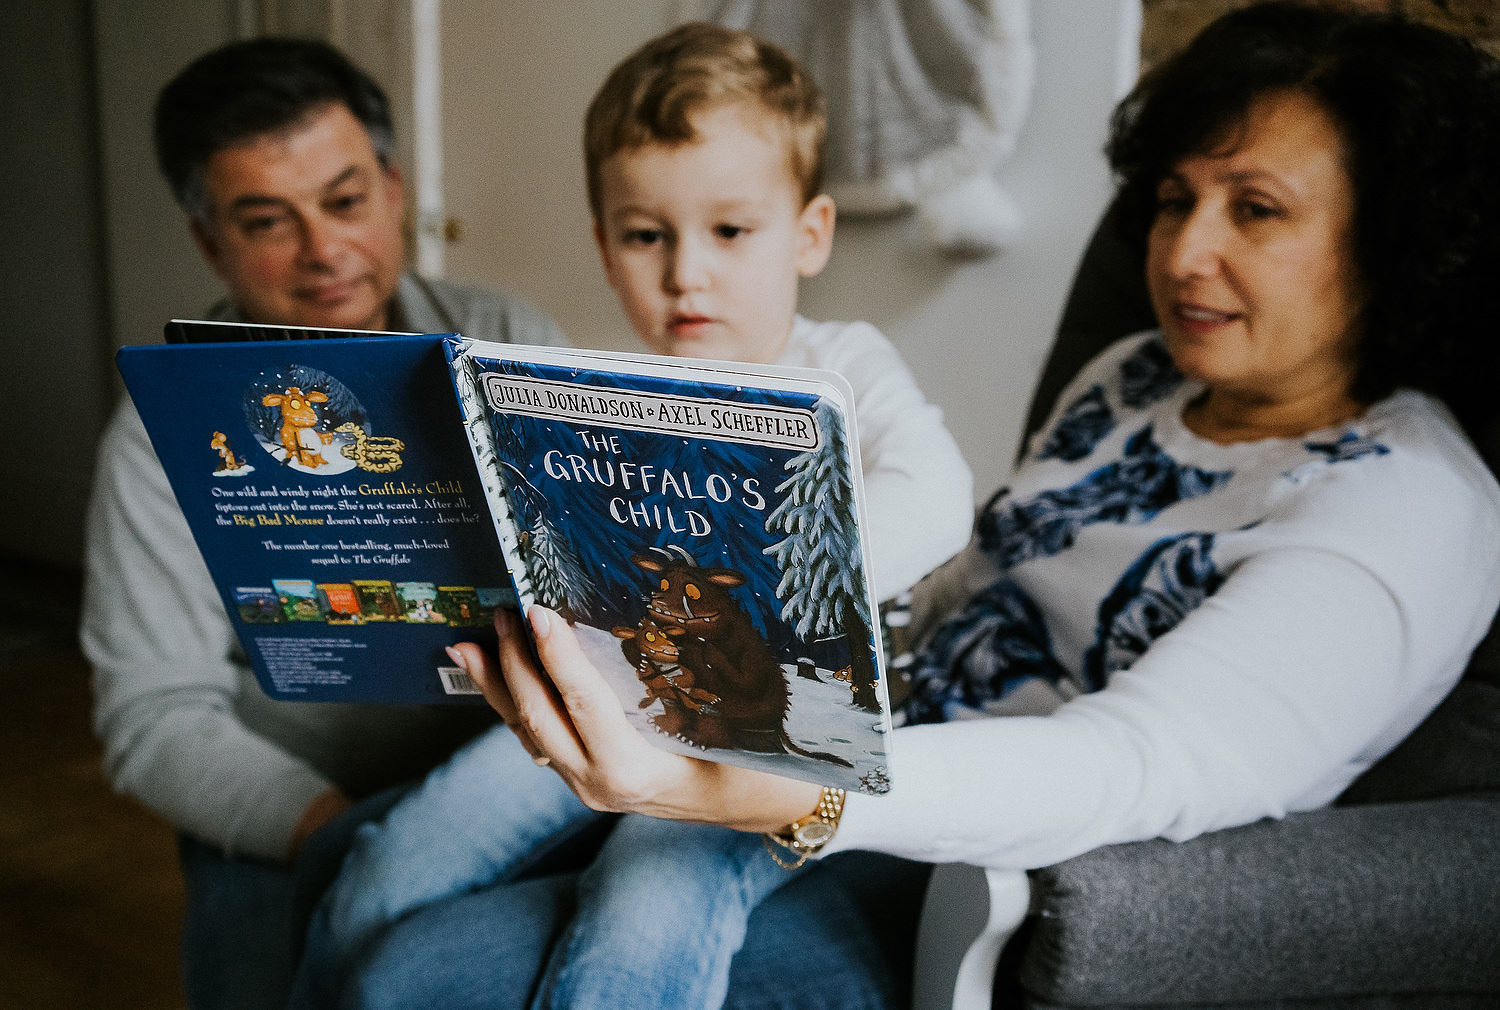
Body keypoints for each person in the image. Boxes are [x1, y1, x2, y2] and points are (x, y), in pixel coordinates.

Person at [448, 3, 1500, 1004]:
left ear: (1389, 236)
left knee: (419, 979)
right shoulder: (1141, 377)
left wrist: (785, 785)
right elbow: (974, 575)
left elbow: (1131, 764)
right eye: (1176, 199)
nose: (1182, 255)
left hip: (965, 871)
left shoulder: (1408, 508)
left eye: (1256, 209)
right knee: (413, 899)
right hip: (842, 723)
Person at [292, 22, 975, 1008]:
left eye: (730, 231)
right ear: (606, 250)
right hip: (614, 690)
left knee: (642, 911)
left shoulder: (846, 361)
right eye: (647, 235)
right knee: (390, 862)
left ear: (810, 233)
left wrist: (772, 596)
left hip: (771, 729)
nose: (686, 272)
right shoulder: (599, 387)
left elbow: (940, 493)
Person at [79, 36, 564, 1010]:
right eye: (268, 221)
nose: (324, 250)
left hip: (526, 767)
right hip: (299, 803)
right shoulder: (154, 439)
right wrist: (338, 832)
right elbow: (152, 714)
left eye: (344, 202)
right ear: (210, 242)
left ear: (392, 187)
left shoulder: (510, 339)